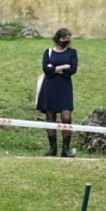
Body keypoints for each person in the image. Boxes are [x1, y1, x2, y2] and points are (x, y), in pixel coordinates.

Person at [35, 27, 78, 157]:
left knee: (66, 117)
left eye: (68, 39)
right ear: (58, 38)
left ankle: (66, 149)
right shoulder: (48, 52)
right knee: (50, 118)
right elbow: (46, 69)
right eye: (63, 38)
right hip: (49, 87)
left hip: (64, 87)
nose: (66, 41)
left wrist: (54, 69)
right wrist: (64, 66)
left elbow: (73, 69)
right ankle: (52, 148)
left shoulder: (72, 52)